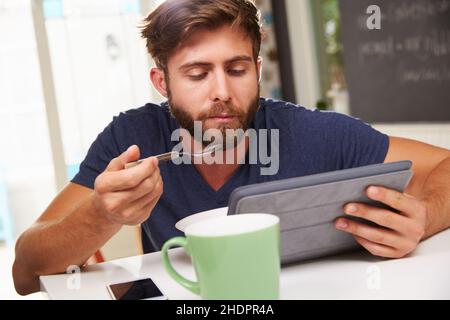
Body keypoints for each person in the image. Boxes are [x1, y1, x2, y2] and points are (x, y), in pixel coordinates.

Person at [13, 0, 450, 295]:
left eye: (237, 69)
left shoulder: (313, 133)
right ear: (162, 82)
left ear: (257, 70)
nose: (221, 91)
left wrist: (425, 216)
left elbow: (443, 166)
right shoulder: (133, 138)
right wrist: (101, 214)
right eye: (198, 73)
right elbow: (25, 273)